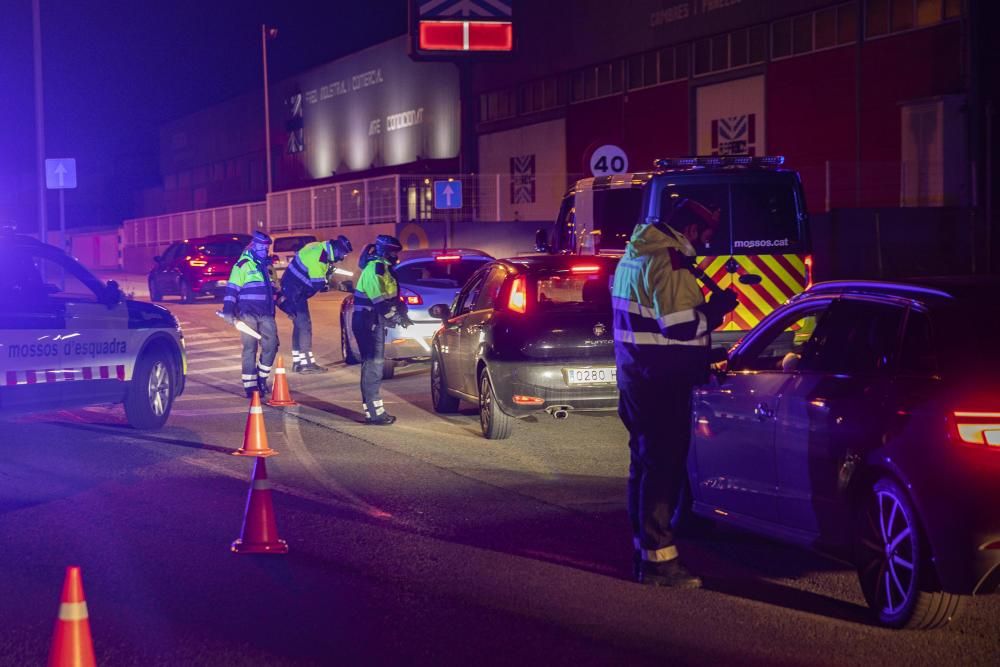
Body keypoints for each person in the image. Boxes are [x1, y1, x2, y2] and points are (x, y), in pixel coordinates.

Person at [611, 197, 739, 588]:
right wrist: (716, 310)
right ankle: (660, 563)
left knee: (645, 464)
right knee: (664, 467)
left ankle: (644, 549)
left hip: (636, 374)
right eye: (705, 235)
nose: (705, 243)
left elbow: (646, 323)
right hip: (663, 381)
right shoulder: (670, 262)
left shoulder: (633, 257)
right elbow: (679, 326)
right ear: (690, 230)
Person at [351, 234, 411, 425]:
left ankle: (374, 412)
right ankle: (374, 414)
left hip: (373, 322)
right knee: (373, 366)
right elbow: (379, 302)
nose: (396, 256)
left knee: (375, 366)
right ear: (385, 251)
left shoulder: (383, 268)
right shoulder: (374, 268)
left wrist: (402, 313)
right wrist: (394, 316)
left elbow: (389, 297)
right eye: (393, 252)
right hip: (368, 322)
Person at [279, 235, 353, 373]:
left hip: (291, 289)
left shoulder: (317, 246)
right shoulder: (321, 258)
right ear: (336, 249)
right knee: (305, 327)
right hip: (296, 293)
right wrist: (330, 280)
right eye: (342, 254)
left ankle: (298, 362)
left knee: (299, 326)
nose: (342, 258)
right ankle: (306, 365)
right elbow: (319, 285)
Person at [221, 231, 279, 398]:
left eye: (267, 247)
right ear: (254, 245)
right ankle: (250, 386)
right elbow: (232, 289)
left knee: (271, 346)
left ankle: (261, 378)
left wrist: (288, 307)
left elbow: (275, 290)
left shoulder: (268, 267)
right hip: (247, 314)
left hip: (267, 313)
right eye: (261, 246)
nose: (264, 249)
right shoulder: (243, 265)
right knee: (250, 348)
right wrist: (228, 309)